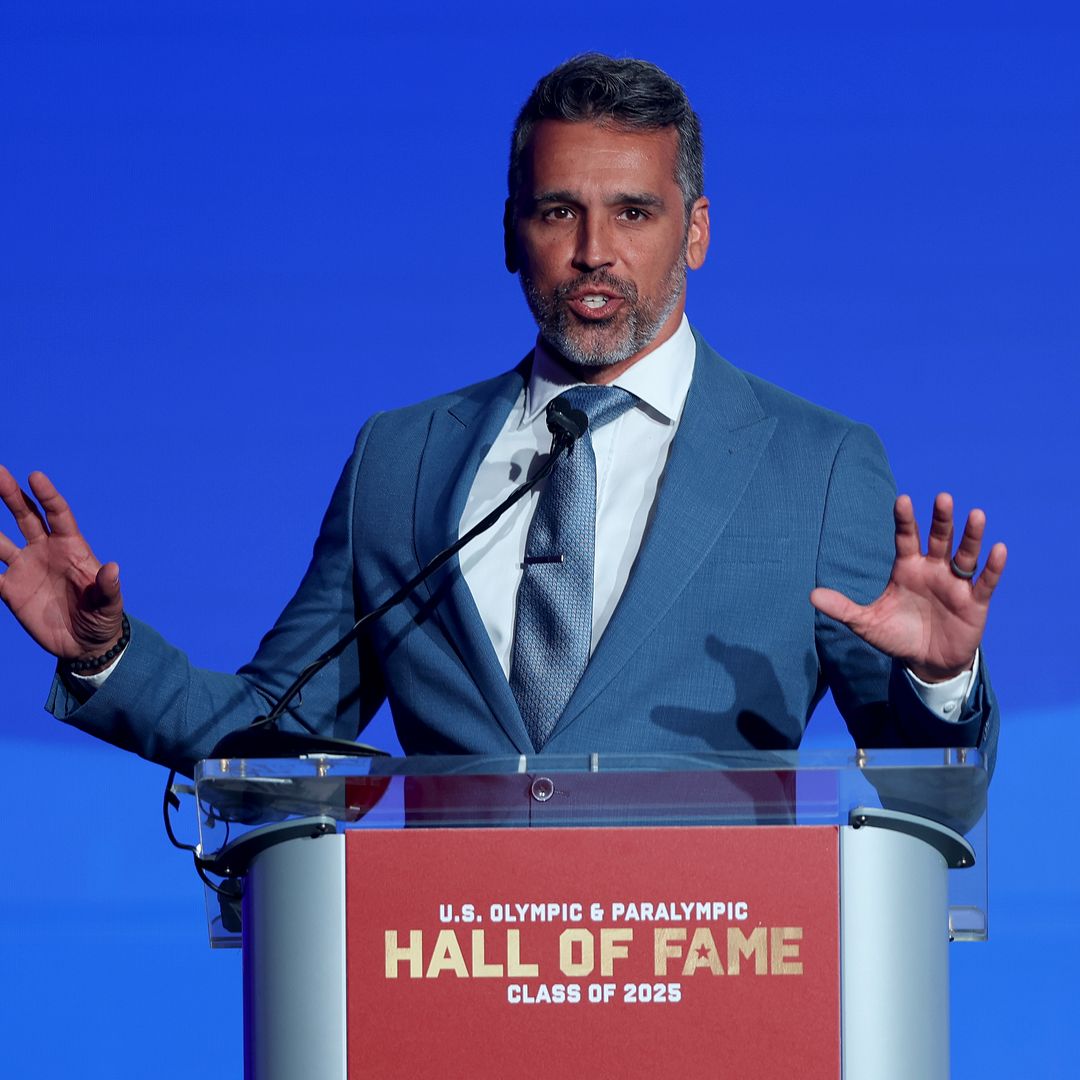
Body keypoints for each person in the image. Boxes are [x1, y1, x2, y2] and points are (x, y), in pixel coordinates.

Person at [0, 54, 1005, 778]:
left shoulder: (815, 466)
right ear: (511, 233)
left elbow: (927, 785)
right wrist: (105, 657)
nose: (595, 250)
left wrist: (942, 686)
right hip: (454, 973)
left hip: (702, 977)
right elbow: (277, 730)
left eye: (635, 212)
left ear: (695, 232)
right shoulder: (400, 460)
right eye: (559, 210)